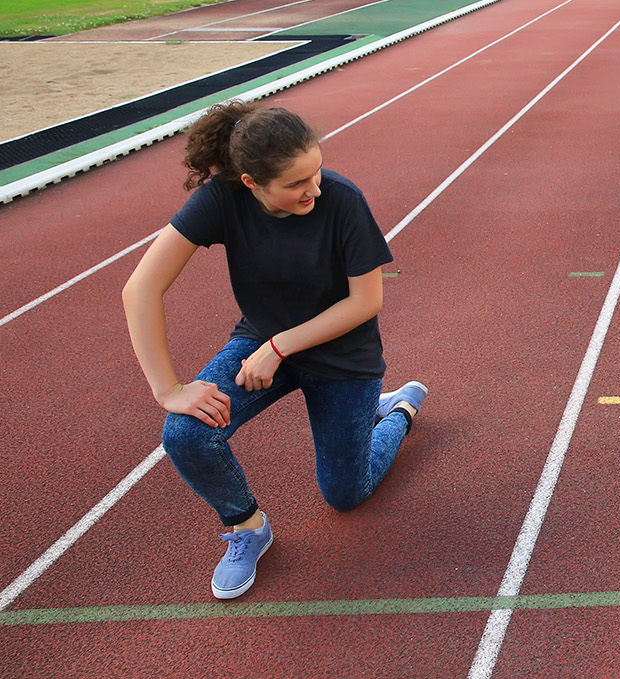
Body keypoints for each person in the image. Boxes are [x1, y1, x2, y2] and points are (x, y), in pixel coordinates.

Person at [122, 100, 427, 599]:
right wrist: (168, 389)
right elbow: (140, 290)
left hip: (341, 357)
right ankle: (247, 528)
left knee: (346, 496)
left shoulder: (343, 200)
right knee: (185, 433)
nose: (315, 188)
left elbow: (365, 301)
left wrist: (278, 347)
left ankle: (395, 411)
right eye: (296, 183)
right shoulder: (221, 200)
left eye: (317, 172)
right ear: (251, 184)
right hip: (259, 342)